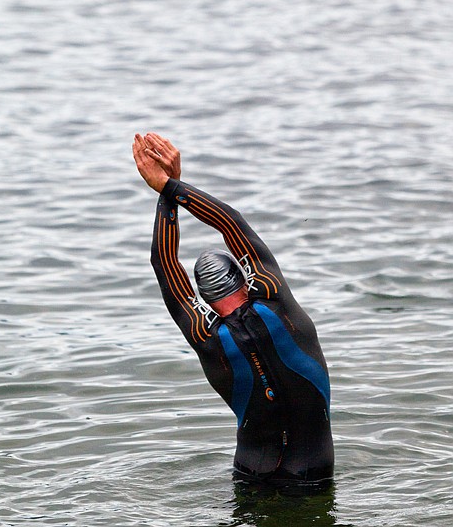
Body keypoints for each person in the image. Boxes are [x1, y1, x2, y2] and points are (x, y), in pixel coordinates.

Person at [133, 132, 334, 490]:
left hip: (251, 478)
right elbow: (231, 222)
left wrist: (165, 199)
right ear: (244, 276)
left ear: (203, 300)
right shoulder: (276, 300)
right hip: (312, 474)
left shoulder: (205, 336)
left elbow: (163, 264)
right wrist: (171, 185)